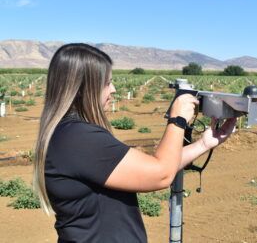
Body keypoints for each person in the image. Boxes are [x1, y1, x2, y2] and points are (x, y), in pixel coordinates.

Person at [33, 43, 236, 243]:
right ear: (81, 88)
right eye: (106, 83)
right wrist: (177, 119)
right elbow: (161, 174)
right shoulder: (78, 138)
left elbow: (149, 168)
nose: (113, 89)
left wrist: (203, 144)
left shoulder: (70, 134)